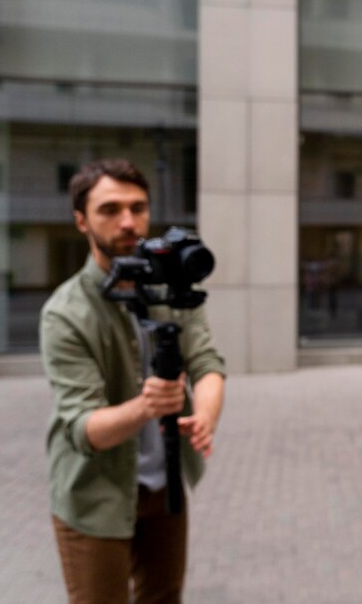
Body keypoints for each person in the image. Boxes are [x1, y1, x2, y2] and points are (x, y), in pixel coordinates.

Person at [41, 158, 225, 604]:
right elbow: (83, 429)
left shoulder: (174, 287)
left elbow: (206, 362)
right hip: (95, 494)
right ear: (81, 220)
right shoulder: (64, 313)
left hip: (165, 487)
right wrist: (148, 406)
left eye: (138, 207)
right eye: (110, 209)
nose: (129, 221)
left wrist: (203, 414)